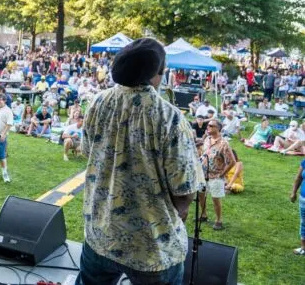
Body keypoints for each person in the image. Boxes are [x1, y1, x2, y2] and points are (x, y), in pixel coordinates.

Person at [77, 38, 203, 285]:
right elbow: (185, 188)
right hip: (153, 246)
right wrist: (180, 212)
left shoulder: (98, 102)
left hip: (101, 234)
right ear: (158, 74)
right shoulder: (170, 118)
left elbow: (87, 151)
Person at [199, 119, 236, 230]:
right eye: (208, 125)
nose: (208, 127)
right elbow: (203, 152)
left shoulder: (223, 144)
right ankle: (204, 215)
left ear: (218, 129)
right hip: (202, 174)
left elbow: (232, 161)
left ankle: (218, 220)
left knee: (215, 199)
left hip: (216, 176)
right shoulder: (207, 139)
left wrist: (222, 174)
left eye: (211, 126)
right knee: (201, 195)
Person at [290, 156, 305, 256]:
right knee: (304, 223)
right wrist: (293, 192)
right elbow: (298, 178)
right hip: (304, 199)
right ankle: (303, 248)